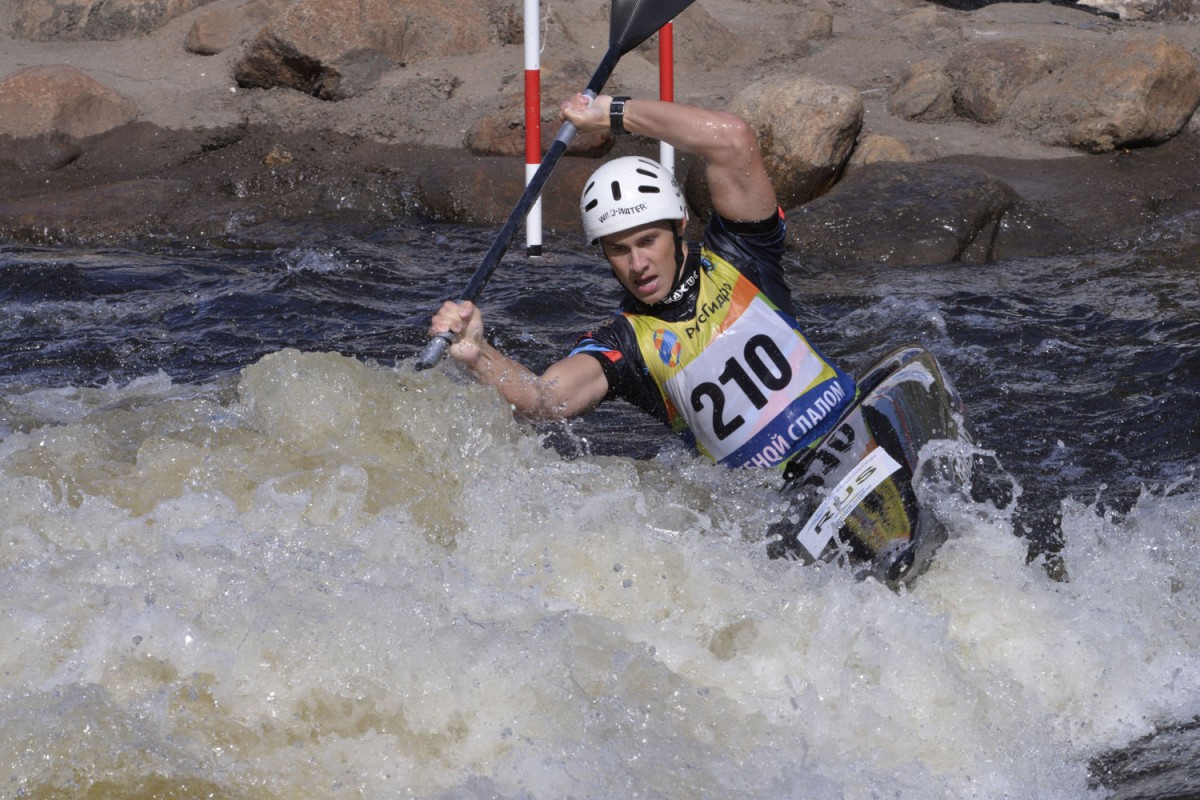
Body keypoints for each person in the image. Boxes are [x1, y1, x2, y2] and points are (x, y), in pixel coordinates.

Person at [428, 93, 856, 470]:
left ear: (679, 225)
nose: (638, 264)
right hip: (780, 499)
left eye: (648, 241)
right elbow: (545, 400)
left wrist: (613, 113)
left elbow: (732, 139)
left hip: (850, 431)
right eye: (618, 249)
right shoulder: (626, 345)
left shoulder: (742, 254)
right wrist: (478, 355)